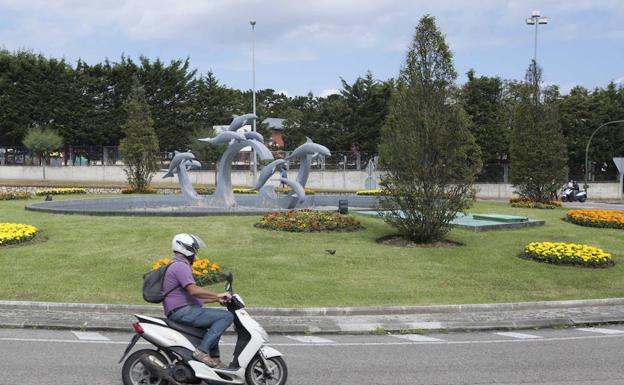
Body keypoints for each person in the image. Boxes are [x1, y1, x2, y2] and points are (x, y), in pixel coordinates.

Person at [162, 233, 232, 368]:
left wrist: (215, 300)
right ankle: (202, 352)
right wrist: (217, 295)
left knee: (214, 325)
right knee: (226, 317)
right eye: (194, 249)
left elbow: (191, 297)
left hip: (182, 310)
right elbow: (193, 290)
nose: (196, 253)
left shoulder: (177, 264)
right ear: (186, 248)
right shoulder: (181, 266)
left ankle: (215, 359)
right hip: (182, 312)